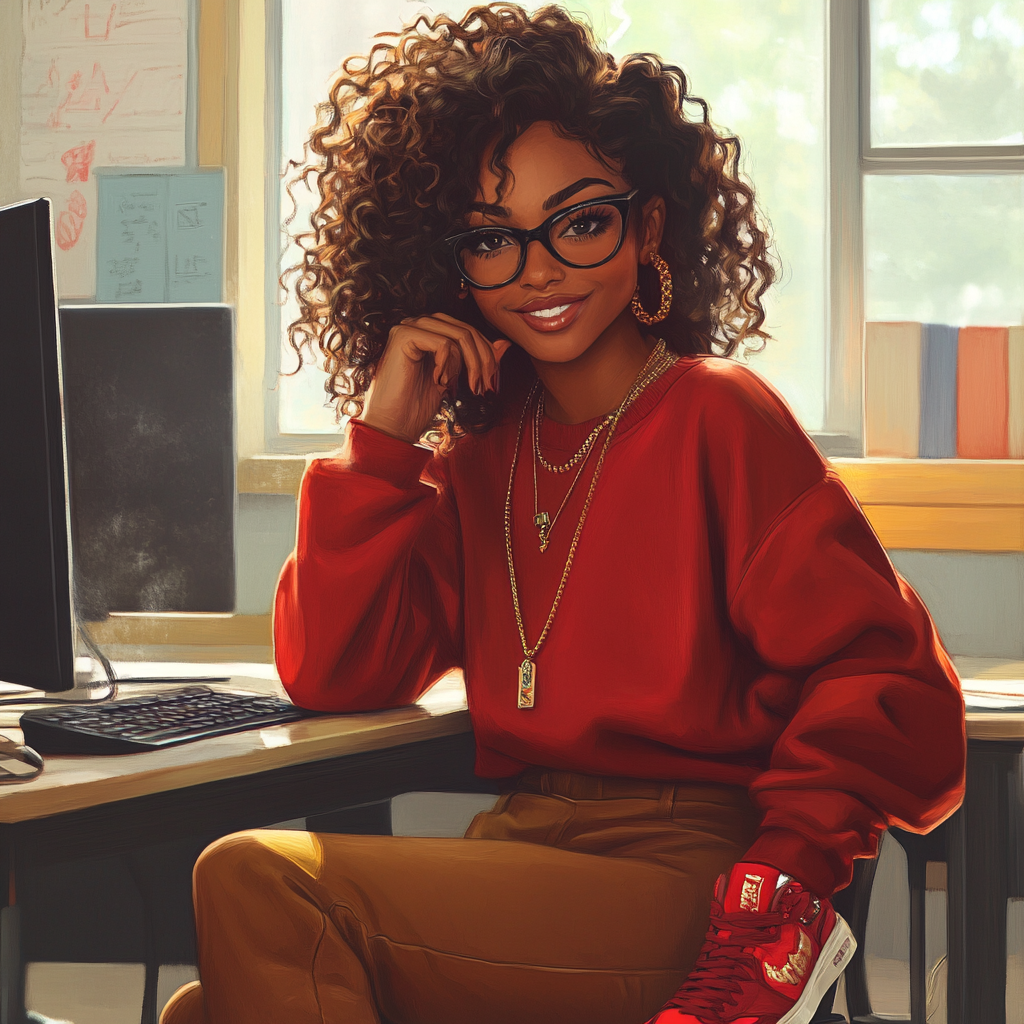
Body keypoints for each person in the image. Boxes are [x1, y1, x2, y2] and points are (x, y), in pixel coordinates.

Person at [160, 5, 966, 1024]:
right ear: (454, 267)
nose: (537, 269)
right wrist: (383, 443)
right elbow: (335, 670)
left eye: (579, 221)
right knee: (208, 1013)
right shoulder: (480, 461)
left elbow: (887, 681)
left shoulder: (716, 414)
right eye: (494, 240)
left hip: (686, 881)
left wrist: (779, 899)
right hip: (528, 848)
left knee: (253, 878)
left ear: (649, 227)